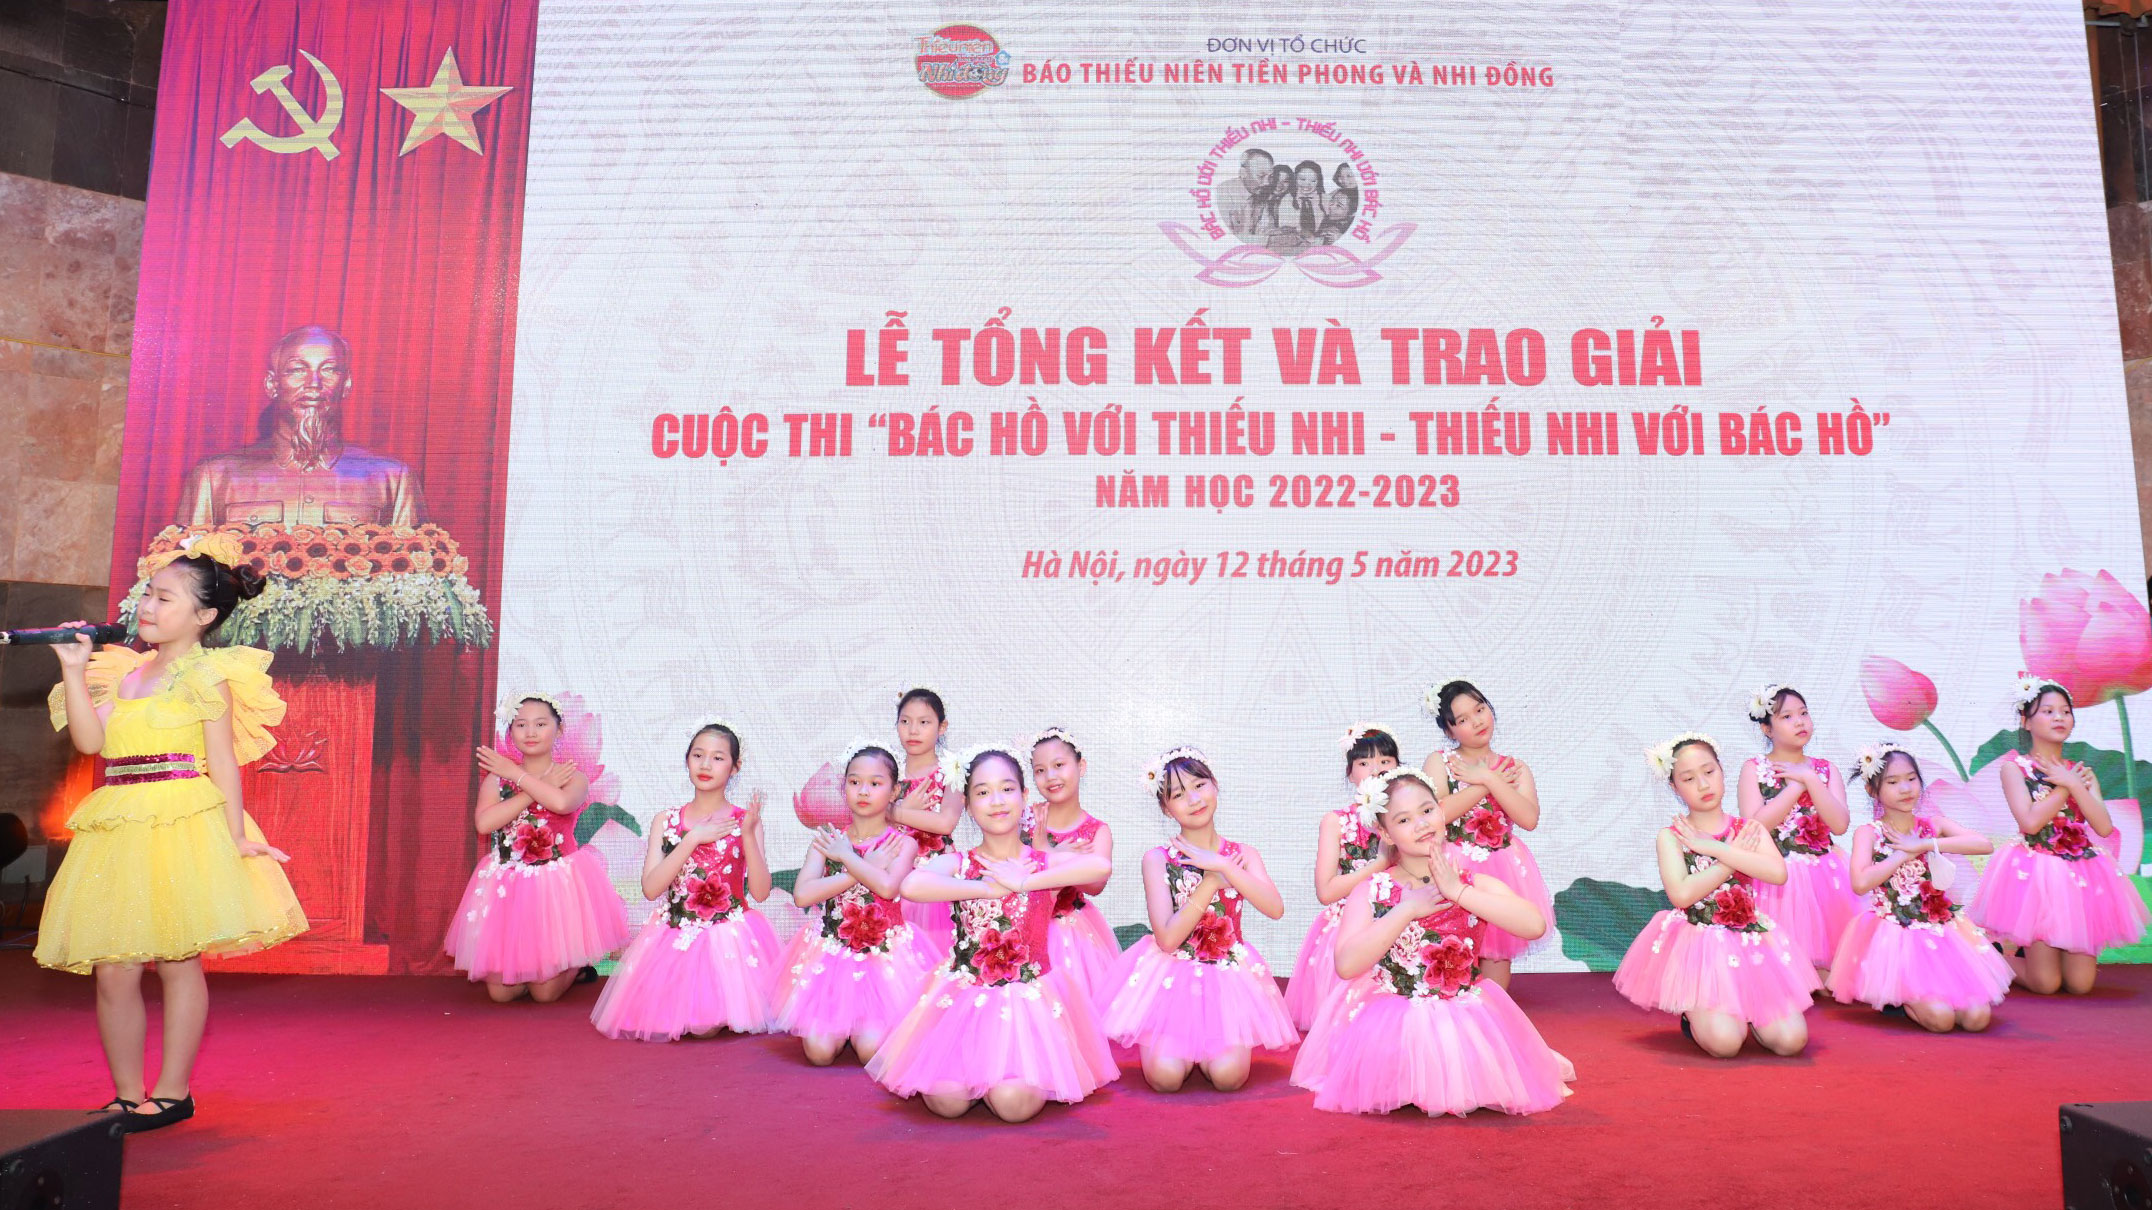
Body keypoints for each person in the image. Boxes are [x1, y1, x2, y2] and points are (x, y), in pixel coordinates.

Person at [38, 532, 308, 1132]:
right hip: (119, 822)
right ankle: (125, 1094)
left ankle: (173, 1092)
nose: (148, 606)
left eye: (165, 598)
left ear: (204, 616)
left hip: (181, 818)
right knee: (113, 967)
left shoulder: (207, 675)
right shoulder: (124, 671)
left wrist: (235, 837)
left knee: (177, 960)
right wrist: (75, 672)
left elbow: (224, 763)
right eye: (148, 594)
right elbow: (90, 743)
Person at [1292, 769, 1572, 1116]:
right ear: (1386, 833)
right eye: (1404, 819)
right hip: (1394, 1016)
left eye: (1427, 810)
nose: (1421, 824)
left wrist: (1458, 891)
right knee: (1410, 1077)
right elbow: (1347, 964)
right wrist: (1406, 909)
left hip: (1464, 1013)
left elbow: (1534, 925)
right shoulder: (1372, 889)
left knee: (1469, 1077)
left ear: (1441, 811)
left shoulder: (1470, 882)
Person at [866, 747, 1118, 1121]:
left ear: (1024, 796)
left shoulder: (1043, 864)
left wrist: (1025, 881)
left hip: (1027, 1006)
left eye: (1007, 789)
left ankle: (1014, 1077)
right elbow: (912, 885)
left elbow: (1099, 866)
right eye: (983, 792)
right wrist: (986, 888)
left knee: (1013, 1104)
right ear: (968, 805)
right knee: (946, 1101)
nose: (997, 801)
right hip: (965, 1000)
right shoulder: (959, 863)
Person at [1099, 746, 1298, 1093]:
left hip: (1227, 977)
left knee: (1228, 1077)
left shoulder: (1242, 854)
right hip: (1170, 976)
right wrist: (1210, 883)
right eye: (1178, 794)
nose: (1193, 799)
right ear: (1166, 807)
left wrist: (1223, 866)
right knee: (1165, 1079)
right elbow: (1167, 940)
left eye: (1199, 785)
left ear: (1214, 785)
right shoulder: (1158, 859)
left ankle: (1213, 1051)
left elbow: (1275, 908)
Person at [1612, 733, 1819, 1058]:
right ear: (1674, 787)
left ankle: (1748, 1012)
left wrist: (1716, 848)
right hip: (1700, 945)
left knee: (1791, 1041)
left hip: (1751, 943)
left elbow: (1777, 873)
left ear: (1722, 771)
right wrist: (1727, 860)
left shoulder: (1749, 829)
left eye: (1709, 772)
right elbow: (1682, 895)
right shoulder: (1673, 836)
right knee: (1725, 1045)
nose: (1703, 784)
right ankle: (1694, 1015)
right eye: (1688, 778)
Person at [591, 723, 778, 1040]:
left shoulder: (745, 821)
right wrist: (691, 839)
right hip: (675, 933)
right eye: (698, 755)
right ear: (687, 760)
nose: (706, 765)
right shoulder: (666, 820)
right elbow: (651, 889)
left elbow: (760, 893)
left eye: (718, 758)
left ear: (735, 767)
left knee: (704, 1026)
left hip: (729, 936)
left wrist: (748, 834)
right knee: (687, 1022)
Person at [443, 694, 632, 1002]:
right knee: (501, 995)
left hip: (555, 882)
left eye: (541, 724)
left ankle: (576, 965)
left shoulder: (572, 776)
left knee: (545, 995)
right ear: (511, 731)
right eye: (521, 725)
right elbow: (485, 823)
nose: (530, 732)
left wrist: (518, 776)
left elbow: (561, 803)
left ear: (559, 730)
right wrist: (523, 781)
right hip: (509, 883)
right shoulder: (498, 780)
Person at [1967, 676, 2149, 994]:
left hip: (2081, 874)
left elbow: (2104, 827)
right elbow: (2030, 823)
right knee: (2045, 983)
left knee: (2080, 985)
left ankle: (2044, 957)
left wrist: (2074, 782)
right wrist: (2064, 786)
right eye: (2048, 711)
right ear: (2026, 721)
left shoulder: (2081, 773)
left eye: (2065, 712)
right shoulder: (2015, 769)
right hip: (2037, 872)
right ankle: (1989, 955)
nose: (2059, 718)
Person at [1829, 743, 2009, 1031]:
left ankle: (1926, 995)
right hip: (1897, 934)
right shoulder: (1869, 832)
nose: (1905, 788)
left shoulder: (1933, 825)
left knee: (1977, 1019)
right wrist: (1902, 854)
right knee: (1941, 1020)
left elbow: (1983, 844)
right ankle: (1902, 998)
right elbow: (1860, 883)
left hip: (1941, 932)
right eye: (1893, 782)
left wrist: (1924, 844)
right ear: (1872, 790)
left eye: (1911, 778)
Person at [177, 325, 423, 527]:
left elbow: (415, 569)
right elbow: (188, 568)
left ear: (346, 385)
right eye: (297, 370)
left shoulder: (392, 479)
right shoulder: (216, 477)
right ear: (272, 384)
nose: (314, 383)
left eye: (329, 369)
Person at [775, 742, 927, 1065]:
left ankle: (864, 1030)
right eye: (855, 782)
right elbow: (803, 894)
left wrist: (848, 858)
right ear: (844, 788)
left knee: (871, 1051)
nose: (864, 791)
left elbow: (887, 887)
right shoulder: (829, 840)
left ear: (894, 790)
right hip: (833, 955)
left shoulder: (902, 843)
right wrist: (855, 866)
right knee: (818, 1053)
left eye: (875, 783)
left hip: (883, 957)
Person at [1423, 681, 1553, 987]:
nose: (1477, 721)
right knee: (1451, 948)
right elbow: (1436, 814)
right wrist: (1485, 783)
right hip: (1455, 867)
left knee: (1497, 956)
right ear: (1449, 730)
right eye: (1463, 719)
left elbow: (1528, 818)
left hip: (1503, 869)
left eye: (1480, 709)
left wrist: (1489, 778)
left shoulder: (1515, 767)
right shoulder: (1441, 762)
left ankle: (1492, 1009)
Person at [1735, 685, 1858, 977]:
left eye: (1804, 713)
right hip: (1776, 875)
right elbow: (1755, 825)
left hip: (1824, 875)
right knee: (1783, 970)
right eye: (1787, 717)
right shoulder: (1755, 768)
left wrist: (1811, 780)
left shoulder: (1826, 769)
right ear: (1767, 728)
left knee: (1828, 975)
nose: (1800, 722)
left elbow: (1839, 824)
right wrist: (1795, 788)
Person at [1284, 724, 1396, 1029]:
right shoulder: (1336, 821)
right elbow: (1326, 891)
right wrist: (1379, 864)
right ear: (1350, 773)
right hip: (1350, 924)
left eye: (1385, 760)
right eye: (1364, 762)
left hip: (1400, 918)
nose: (1376, 769)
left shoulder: (1408, 818)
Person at [1027, 728, 1121, 1002]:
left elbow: (1095, 884)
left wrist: (1048, 854)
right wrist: (1056, 856)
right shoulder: (1024, 820)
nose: (1050, 776)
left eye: (1059, 765)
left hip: (1073, 934)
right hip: (1025, 928)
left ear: (1081, 766)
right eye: (1040, 770)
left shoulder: (1097, 830)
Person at [886, 688, 961, 965]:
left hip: (934, 877)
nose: (913, 730)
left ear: (942, 727)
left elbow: (945, 822)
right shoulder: (887, 772)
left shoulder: (951, 771)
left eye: (924, 722)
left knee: (933, 961)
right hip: (891, 874)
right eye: (905, 721)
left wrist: (896, 811)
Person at [1223, 148, 1274, 236]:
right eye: (1261, 176)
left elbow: (1263, 229)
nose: (1267, 183)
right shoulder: (1224, 194)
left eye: (1270, 177)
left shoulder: (1260, 193)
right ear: (1243, 173)